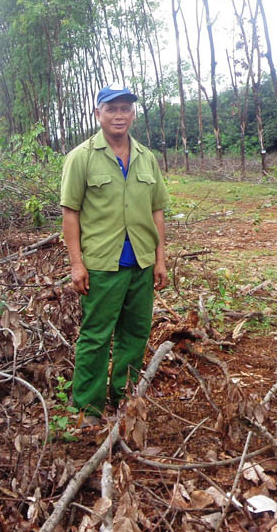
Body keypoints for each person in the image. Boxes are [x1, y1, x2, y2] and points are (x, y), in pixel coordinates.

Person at [59, 85, 170, 428]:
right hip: (103, 265)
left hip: (141, 262)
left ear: (133, 114)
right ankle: (87, 410)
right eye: (112, 109)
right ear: (98, 114)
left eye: (126, 108)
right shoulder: (82, 157)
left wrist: (161, 259)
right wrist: (77, 263)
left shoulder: (146, 157)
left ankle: (126, 400)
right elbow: (70, 213)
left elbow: (157, 211)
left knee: (135, 334)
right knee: (96, 335)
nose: (119, 115)